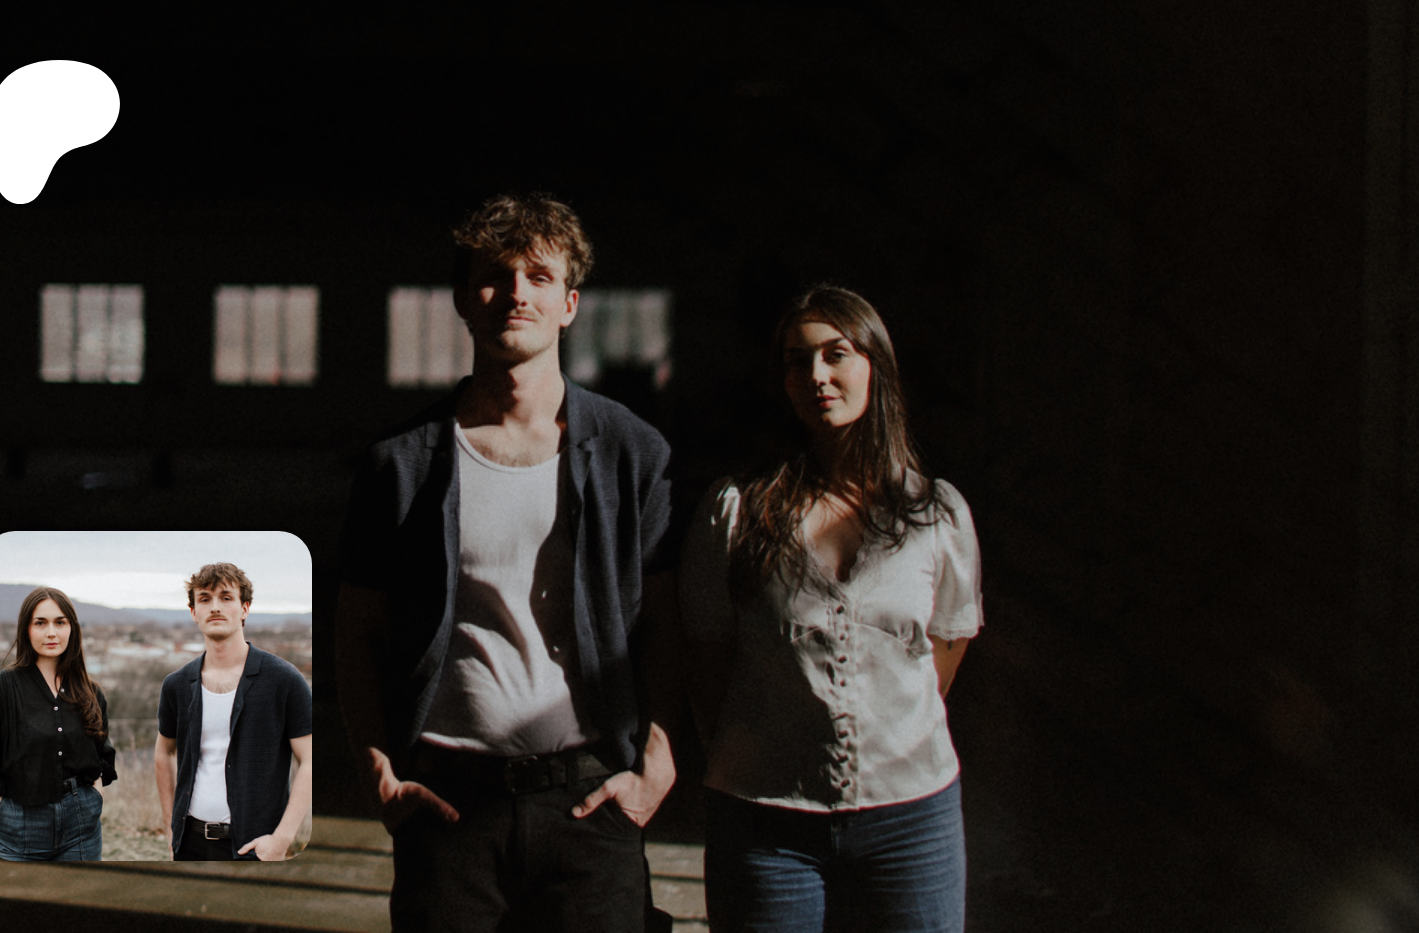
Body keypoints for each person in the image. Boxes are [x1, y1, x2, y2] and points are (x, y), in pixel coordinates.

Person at [336, 192, 678, 933]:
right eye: (494, 276)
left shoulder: (632, 454)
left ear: (569, 304)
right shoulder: (401, 465)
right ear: (464, 299)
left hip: (590, 801)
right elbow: (357, 630)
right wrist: (378, 773)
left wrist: (657, 763)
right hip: (449, 806)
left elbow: (666, 623)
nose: (516, 293)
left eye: (539, 276)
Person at [680, 285, 983, 933]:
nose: (816, 375)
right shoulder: (737, 510)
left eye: (835, 354)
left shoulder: (936, 514)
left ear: (875, 364)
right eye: (797, 361)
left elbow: (944, 648)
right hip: (766, 817)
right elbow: (708, 658)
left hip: (911, 816)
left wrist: (887, 731)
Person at [155, 562, 312, 861]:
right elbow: (164, 752)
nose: (215, 607)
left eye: (226, 597)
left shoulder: (284, 680)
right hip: (190, 843)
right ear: (194, 612)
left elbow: (310, 759)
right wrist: (171, 827)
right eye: (205, 599)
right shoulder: (176, 684)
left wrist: (282, 838)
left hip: (255, 847)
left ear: (244, 609)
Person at [0, 586, 117, 861]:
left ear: (72, 628)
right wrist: (0, 808)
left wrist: (95, 797)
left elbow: (101, 755)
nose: (51, 632)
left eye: (60, 622)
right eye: (40, 623)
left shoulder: (91, 693)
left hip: (82, 831)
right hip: (16, 830)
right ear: (26, 629)